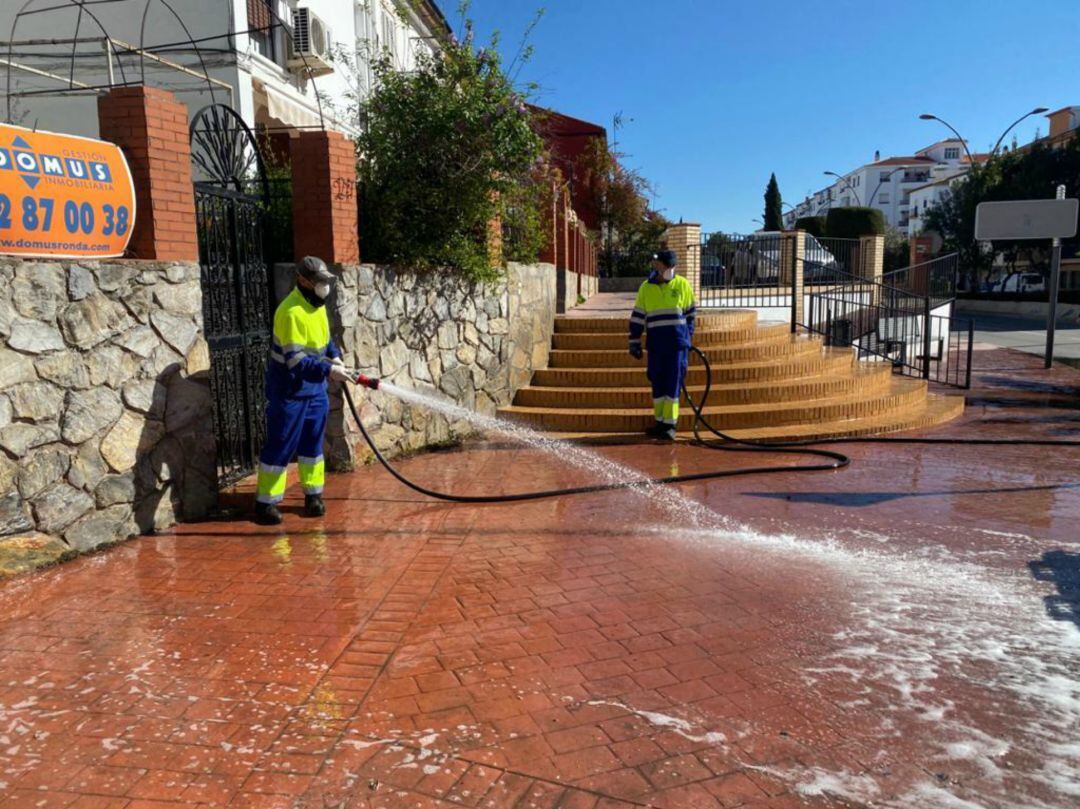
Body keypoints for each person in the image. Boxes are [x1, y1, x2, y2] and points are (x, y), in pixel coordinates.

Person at [254, 256, 353, 525]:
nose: (325, 287)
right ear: (303, 281)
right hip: (289, 392)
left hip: (315, 391)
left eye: (326, 281)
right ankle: (266, 502)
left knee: (312, 444)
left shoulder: (316, 306)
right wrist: (329, 371)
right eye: (320, 282)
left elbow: (325, 340)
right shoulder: (290, 312)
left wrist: (335, 357)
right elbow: (295, 361)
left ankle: (313, 495)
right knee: (281, 444)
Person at [628, 249, 696, 442]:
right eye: (659, 265)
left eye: (666, 266)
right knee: (657, 381)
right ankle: (660, 422)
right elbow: (638, 317)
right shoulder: (645, 288)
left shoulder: (682, 285)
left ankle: (670, 424)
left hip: (677, 345)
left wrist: (687, 338)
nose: (662, 268)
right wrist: (634, 341)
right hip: (656, 345)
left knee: (673, 383)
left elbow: (691, 315)